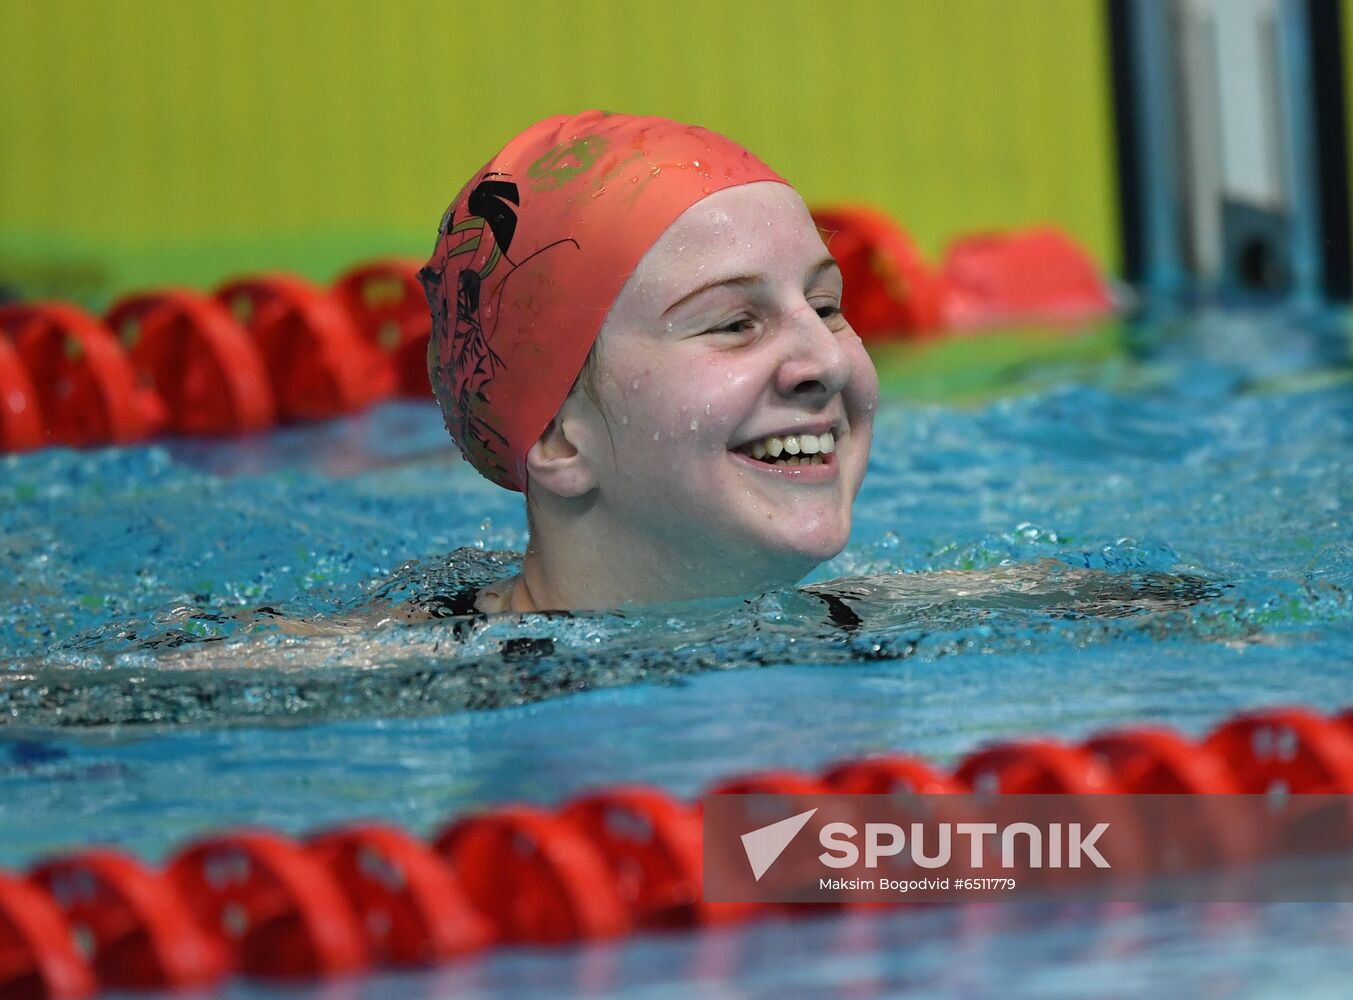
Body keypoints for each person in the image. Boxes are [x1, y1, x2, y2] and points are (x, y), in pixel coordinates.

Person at [418, 111, 878, 613]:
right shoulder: (394, 678)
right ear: (557, 436)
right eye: (733, 324)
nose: (829, 361)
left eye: (825, 307)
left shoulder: (906, 627)